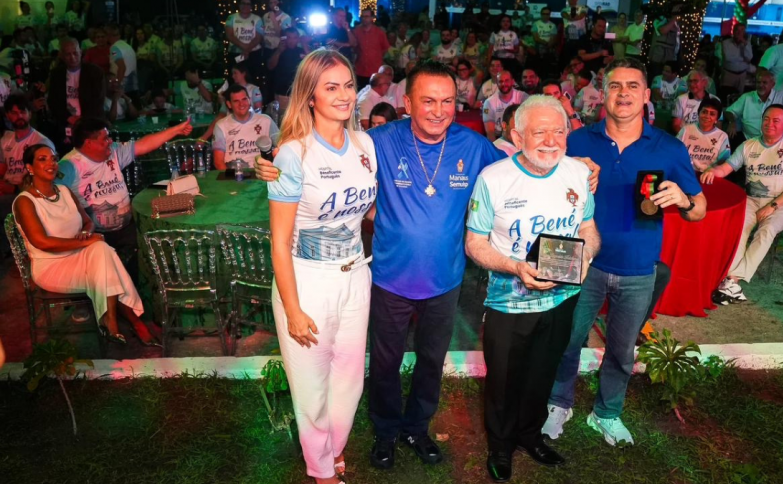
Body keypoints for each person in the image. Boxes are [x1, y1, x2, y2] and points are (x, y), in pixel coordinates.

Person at [254, 61, 561, 471]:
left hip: (445, 279)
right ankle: (384, 431)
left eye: (447, 101)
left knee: (431, 361)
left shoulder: (473, 146)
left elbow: (520, 167)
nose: (439, 110)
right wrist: (271, 163)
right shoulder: (376, 141)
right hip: (387, 278)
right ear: (408, 103)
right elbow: (325, 155)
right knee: (384, 363)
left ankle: (417, 428)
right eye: (428, 101)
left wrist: (576, 166)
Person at [544, 57, 705, 446]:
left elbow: (699, 209)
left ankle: (606, 412)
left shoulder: (668, 147)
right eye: (615, 85)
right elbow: (540, 186)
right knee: (565, 339)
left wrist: (684, 199)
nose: (624, 93)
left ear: (647, 95)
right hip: (578, 260)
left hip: (637, 265)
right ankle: (557, 403)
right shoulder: (577, 141)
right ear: (602, 94)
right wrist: (566, 169)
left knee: (621, 350)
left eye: (633, 86)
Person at [465, 95, 599, 482]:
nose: (551, 141)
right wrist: (515, 267)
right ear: (517, 135)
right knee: (504, 378)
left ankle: (530, 435)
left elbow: (588, 228)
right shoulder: (493, 178)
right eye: (540, 132)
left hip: (562, 299)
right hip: (510, 303)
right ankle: (501, 445)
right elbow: (474, 244)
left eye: (559, 131)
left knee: (543, 371)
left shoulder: (578, 173)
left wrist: (586, 257)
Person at [266, 49, 375, 484]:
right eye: (331, 87)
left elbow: (366, 209)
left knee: (349, 381)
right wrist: (292, 309)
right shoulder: (293, 154)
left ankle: (333, 447)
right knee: (311, 388)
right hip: (307, 281)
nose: (344, 95)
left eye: (348, 85)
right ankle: (321, 471)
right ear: (310, 96)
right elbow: (279, 240)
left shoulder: (365, 144)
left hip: (356, 275)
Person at [13, 144, 160, 347]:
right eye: (42, 159)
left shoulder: (64, 191)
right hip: (51, 267)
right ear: (30, 167)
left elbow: (87, 222)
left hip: (80, 255)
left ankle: (111, 322)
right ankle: (133, 321)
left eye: (53, 158)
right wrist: (86, 241)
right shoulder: (25, 201)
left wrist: (86, 234)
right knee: (105, 256)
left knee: (101, 250)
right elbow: (41, 242)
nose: (51, 163)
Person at [57, 117, 193, 283]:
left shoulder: (113, 151)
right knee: (115, 276)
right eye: (105, 138)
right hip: (97, 236)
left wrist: (176, 130)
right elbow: (49, 195)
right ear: (89, 143)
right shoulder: (69, 166)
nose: (110, 141)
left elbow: (144, 144)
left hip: (127, 227)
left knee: (157, 246)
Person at [703, 104, 783, 304]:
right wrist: (712, 171)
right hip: (751, 199)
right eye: (766, 119)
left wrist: (772, 206)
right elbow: (726, 168)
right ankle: (731, 283)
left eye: (776, 121)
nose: (769, 124)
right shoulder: (748, 145)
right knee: (739, 228)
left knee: (766, 231)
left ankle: (733, 278)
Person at [48, 38, 105, 149]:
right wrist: (68, 118)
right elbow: (53, 101)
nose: (72, 58)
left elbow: (98, 101)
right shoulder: (56, 74)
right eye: (68, 54)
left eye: (75, 53)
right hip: (66, 124)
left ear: (80, 52)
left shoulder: (95, 72)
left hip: (91, 124)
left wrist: (80, 121)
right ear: (62, 56)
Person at [724, 70, 783, 141]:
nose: (761, 85)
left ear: (772, 84)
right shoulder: (747, 97)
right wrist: (732, 122)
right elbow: (729, 111)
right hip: (748, 139)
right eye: (758, 82)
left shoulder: (781, 97)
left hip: (774, 141)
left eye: (764, 82)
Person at [212, 84, 278, 170]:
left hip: (262, 172)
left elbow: (282, 145)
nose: (241, 104)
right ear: (229, 104)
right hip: (234, 174)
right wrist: (232, 177)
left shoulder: (266, 120)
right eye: (236, 101)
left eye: (244, 99)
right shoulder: (221, 126)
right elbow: (218, 162)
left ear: (249, 100)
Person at [0, 94, 55, 196]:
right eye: (14, 113)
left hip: (27, 192)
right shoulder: (5, 140)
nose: (19, 116)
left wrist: (14, 189)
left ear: (30, 114)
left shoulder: (41, 142)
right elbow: (2, 169)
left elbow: (46, 177)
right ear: (7, 115)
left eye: (23, 112)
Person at [676, 97, 731, 172]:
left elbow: (724, 162)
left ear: (716, 119)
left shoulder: (722, 136)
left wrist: (711, 171)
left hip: (710, 175)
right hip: (685, 172)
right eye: (704, 112)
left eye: (712, 114)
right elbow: (675, 151)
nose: (707, 116)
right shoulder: (686, 130)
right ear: (699, 113)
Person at [268, 27, 305, 115]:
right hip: (282, 94)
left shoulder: (301, 51)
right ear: (284, 38)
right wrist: (279, 51)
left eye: (294, 38)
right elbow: (270, 66)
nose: (291, 40)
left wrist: (305, 44)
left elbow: (313, 65)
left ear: (298, 39)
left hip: (299, 93)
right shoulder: (278, 51)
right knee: (283, 119)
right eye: (289, 37)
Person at [483, 70, 528, 141]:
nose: (504, 84)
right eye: (500, 81)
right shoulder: (489, 103)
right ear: (497, 83)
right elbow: (490, 132)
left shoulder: (523, 97)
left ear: (512, 81)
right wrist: (495, 147)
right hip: (499, 138)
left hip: (520, 137)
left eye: (507, 80)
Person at [225, 0, 264, 77]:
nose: (245, 6)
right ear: (239, 5)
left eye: (248, 4)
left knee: (253, 76)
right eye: (243, 3)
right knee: (235, 77)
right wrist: (244, 47)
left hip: (253, 54)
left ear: (251, 6)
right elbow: (229, 35)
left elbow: (258, 37)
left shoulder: (257, 19)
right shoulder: (231, 18)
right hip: (235, 53)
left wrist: (247, 50)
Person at [354, 8, 389, 88]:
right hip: (360, 69)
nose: (364, 18)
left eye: (366, 16)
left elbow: (385, 48)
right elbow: (354, 47)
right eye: (362, 16)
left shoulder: (379, 32)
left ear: (372, 18)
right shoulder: (357, 31)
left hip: (375, 69)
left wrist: (376, 57)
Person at [105, 24, 138, 103]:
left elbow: (122, 67)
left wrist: (117, 83)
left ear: (109, 36)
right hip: (133, 85)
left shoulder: (114, 49)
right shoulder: (127, 46)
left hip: (124, 87)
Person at [720, 23, 754, 98]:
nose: (739, 32)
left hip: (742, 74)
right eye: (737, 30)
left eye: (742, 30)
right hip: (729, 74)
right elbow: (728, 58)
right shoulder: (726, 43)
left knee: (739, 97)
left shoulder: (747, 43)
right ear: (733, 31)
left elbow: (749, 57)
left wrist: (744, 44)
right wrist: (744, 59)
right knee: (726, 96)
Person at [648, 15, 679, 81]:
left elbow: (676, 29)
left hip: (670, 57)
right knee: (656, 78)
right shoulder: (659, 20)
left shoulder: (676, 22)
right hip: (657, 57)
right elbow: (663, 30)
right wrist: (673, 19)